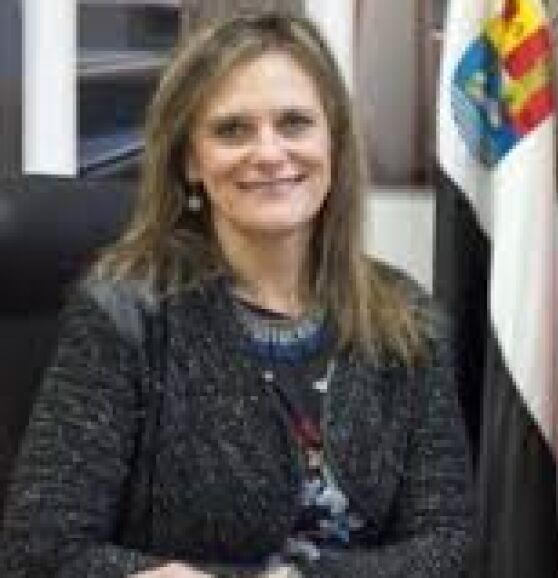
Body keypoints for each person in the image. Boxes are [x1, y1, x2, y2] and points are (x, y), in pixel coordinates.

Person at [0, 12, 473, 578]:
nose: (269, 153)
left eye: (294, 123)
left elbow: (448, 544)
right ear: (191, 162)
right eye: (232, 130)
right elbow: (40, 549)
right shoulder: (126, 314)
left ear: (335, 144)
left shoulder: (405, 318)